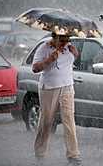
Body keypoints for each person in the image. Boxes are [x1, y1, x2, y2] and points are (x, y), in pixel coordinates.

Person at [32, 28, 82, 166]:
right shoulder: (44, 48)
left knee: (69, 120)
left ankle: (73, 154)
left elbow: (72, 59)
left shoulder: (68, 48)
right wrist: (49, 60)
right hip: (49, 87)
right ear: (54, 37)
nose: (64, 43)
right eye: (62, 40)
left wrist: (75, 53)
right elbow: (35, 68)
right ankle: (40, 151)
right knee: (47, 121)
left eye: (67, 39)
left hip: (67, 86)